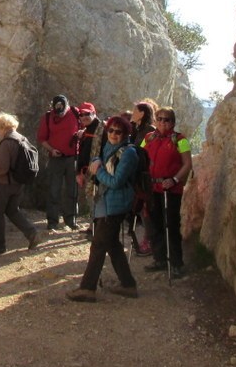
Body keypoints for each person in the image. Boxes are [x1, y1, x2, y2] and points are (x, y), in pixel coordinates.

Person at [67, 115, 140, 302]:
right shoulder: (108, 147)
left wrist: (97, 170)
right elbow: (100, 161)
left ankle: (87, 288)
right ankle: (128, 285)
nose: (114, 134)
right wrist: (95, 165)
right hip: (104, 204)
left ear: (125, 134)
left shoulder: (129, 153)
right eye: (111, 130)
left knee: (98, 245)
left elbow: (116, 182)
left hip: (115, 205)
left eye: (119, 131)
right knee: (112, 244)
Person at [143, 107, 193, 277]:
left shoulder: (180, 140)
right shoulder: (149, 138)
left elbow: (187, 164)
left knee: (170, 225)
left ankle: (177, 263)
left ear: (173, 122)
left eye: (167, 119)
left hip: (170, 189)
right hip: (152, 187)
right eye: (160, 118)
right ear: (155, 120)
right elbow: (140, 156)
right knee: (154, 225)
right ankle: (160, 259)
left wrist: (174, 180)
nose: (163, 122)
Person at [0, 113, 41, 254]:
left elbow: (2, 168)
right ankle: (32, 232)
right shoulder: (22, 138)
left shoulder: (7, 142)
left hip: (4, 184)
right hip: (18, 183)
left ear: (2, 127)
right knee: (12, 210)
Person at [37, 94, 81, 232]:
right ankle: (52, 221)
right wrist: (52, 149)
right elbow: (42, 138)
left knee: (72, 190)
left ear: (67, 105)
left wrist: (82, 133)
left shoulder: (75, 113)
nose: (60, 113)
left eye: (62, 109)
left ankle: (71, 219)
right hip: (56, 158)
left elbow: (87, 124)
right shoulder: (48, 117)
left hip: (73, 157)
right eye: (57, 110)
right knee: (53, 190)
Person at [129, 99, 158, 256]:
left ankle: (151, 241)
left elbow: (148, 153)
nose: (132, 113)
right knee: (141, 209)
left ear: (142, 113)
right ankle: (148, 240)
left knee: (147, 209)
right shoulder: (138, 129)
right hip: (138, 174)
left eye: (135, 110)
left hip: (146, 176)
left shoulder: (150, 130)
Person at [74, 103, 102, 236]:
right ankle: (93, 226)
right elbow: (83, 153)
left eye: (87, 114)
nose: (84, 117)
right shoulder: (87, 130)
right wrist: (79, 172)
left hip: (99, 173)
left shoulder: (103, 129)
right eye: (81, 114)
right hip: (88, 172)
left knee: (96, 201)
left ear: (94, 113)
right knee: (91, 200)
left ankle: (97, 229)